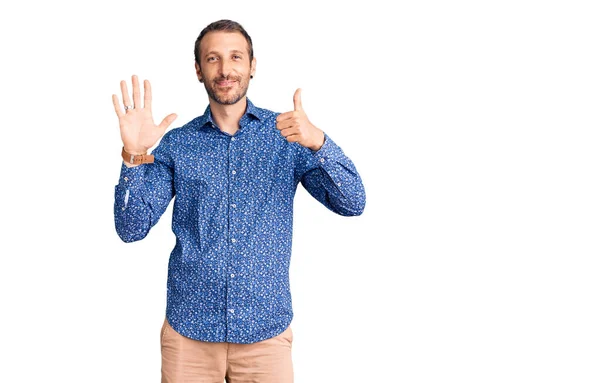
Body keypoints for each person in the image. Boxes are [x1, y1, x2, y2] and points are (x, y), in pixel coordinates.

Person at [112, 19, 366, 383]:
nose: (225, 69)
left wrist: (319, 142)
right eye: (212, 59)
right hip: (189, 338)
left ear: (252, 66)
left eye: (235, 57)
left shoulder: (287, 135)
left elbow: (353, 201)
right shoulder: (178, 145)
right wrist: (134, 155)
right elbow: (130, 228)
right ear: (198, 70)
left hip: (266, 337)